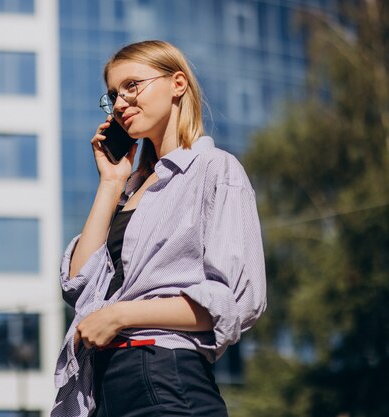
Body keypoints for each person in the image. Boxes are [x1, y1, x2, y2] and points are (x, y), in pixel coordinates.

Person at [52, 40, 267, 417]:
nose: (119, 103)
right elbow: (78, 285)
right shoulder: (131, 189)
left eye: (132, 86)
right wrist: (110, 183)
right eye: (113, 95)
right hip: (102, 388)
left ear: (177, 84)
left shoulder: (214, 169)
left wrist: (121, 315)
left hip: (163, 374)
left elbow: (234, 302)